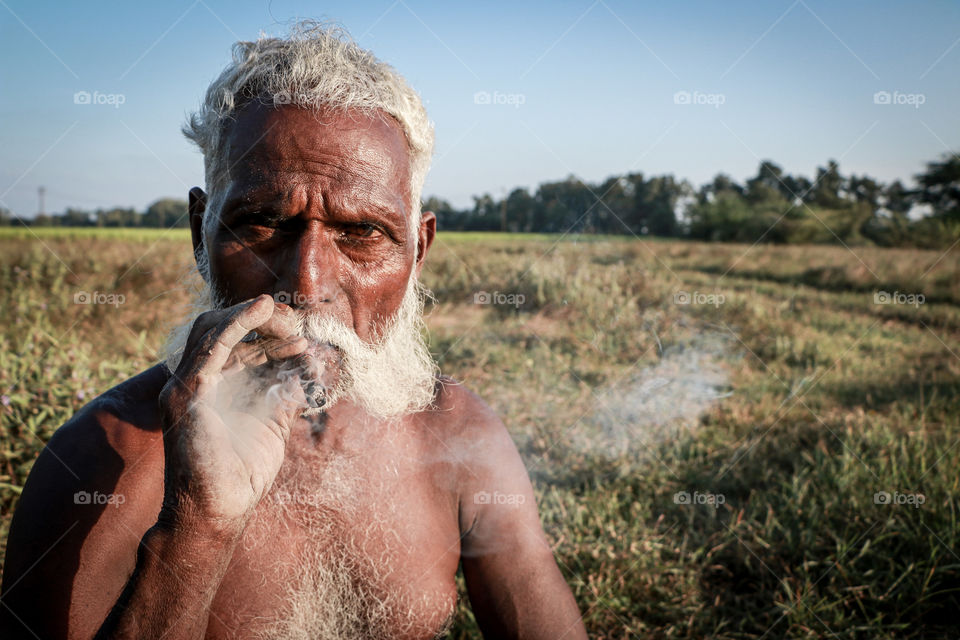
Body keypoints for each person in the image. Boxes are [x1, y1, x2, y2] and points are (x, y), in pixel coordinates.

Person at [0, 21, 588, 640]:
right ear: (201, 231)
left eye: (361, 234)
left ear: (419, 249)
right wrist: (197, 525)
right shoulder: (105, 459)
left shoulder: (457, 434)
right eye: (261, 223)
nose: (306, 287)